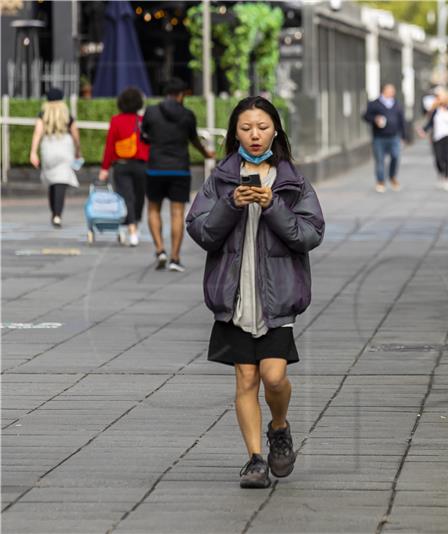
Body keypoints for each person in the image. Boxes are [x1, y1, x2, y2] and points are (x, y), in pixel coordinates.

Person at [186, 96, 325, 489]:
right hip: (234, 297)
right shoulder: (221, 178)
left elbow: (309, 234)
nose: (255, 135)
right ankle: (254, 458)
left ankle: (279, 426)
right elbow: (201, 231)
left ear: (275, 130)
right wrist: (231, 203)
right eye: (246, 128)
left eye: (262, 127)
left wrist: (273, 205)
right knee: (246, 378)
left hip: (277, 297)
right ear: (235, 133)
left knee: (274, 376)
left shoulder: (291, 180)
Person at [141, 78, 215, 271]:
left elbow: (144, 136)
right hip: (179, 169)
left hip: (155, 167)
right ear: (181, 94)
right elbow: (194, 140)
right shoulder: (187, 115)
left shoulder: (151, 111)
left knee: (153, 210)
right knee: (177, 213)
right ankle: (175, 257)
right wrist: (207, 153)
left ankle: (160, 250)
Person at [99, 86, 149, 246]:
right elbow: (149, 144)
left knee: (126, 197)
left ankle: (128, 226)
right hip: (142, 165)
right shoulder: (142, 121)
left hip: (121, 165)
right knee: (139, 197)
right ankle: (134, 226)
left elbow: (109, 145)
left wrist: (104, 168)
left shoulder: (116, 120)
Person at [29, 87, 82, 227]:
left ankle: (54, 212)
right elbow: (75, 133)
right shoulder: (67, 115)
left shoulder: (43, 114)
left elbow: (37, 133)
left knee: (52, 181)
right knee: (61, 182)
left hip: (48, 146)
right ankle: (58, 214)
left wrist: (33, 152)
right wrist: (78, 150)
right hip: (65, 146)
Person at [363, 83, 405, 193]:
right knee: (380, 160)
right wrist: (375, 119)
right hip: (379, 137)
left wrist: (403, 136)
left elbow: (401, 120)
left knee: (395, 157)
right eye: (390, 90)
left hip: (394, 136)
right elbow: (366, 116)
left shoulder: (396, 104)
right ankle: (380, 181)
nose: (392, 92)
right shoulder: (374, 104)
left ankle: (392, 177)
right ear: (384, 91)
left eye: (393, 90)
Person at [419, 89, 448, 191]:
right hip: (437, 137)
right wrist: (423, 131)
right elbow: (430, 123)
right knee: (438, 158)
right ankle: (441, 174)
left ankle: (446, 179)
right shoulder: (434, 111)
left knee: (447, 158)